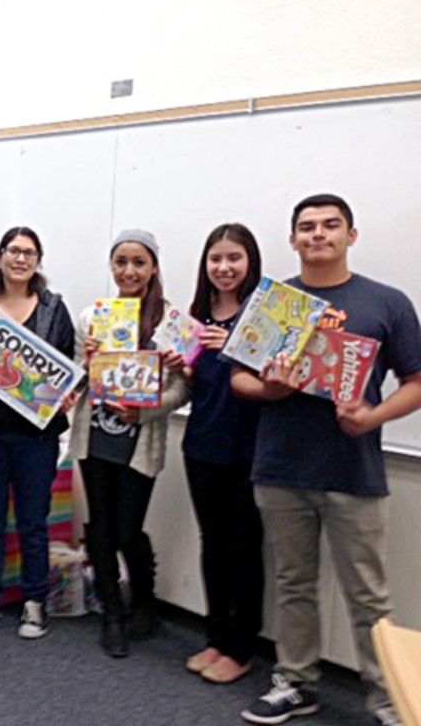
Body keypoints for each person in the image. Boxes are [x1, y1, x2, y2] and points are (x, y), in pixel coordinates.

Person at [234, 195, 421, 726]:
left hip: (354, 472)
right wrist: (270, 388)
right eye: (307, 227)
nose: (318, 235)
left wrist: (373, 416)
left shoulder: (387, 302)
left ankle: (389, 699)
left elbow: (417, 381)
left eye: (330, 226)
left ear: (350, 236)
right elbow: (238, 379)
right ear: (292, 239)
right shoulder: (274, 303)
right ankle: (296, 683)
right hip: (280, 468)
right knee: (294, 584)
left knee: (369, 596)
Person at [68, 229, 189, 659]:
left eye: (139, 262)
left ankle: (144, 600)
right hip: (95, 437)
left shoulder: (171, 322)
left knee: (127, 530)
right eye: (121, 261)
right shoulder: (92, 317)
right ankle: (112, 613)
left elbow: (182, 390)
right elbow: (78, 382)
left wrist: (147, 410)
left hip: (140, 440)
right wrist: (86, 361)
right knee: (99, 528)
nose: (129, 270)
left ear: (153, 266)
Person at [0, 227, 76, 641]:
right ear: (0, 256)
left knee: (32, 521)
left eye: (29, 253)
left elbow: (67, 367)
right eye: (13, 251)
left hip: (35, 437)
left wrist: (66, 394)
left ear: (38, 261)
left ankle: (34, 602)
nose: (20, 259)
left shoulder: (55, 309)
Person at [181, 224, 263, 684]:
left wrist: (232, 346)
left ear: (250, 261)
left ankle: (242, 646)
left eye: (234, 258)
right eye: (216, 259)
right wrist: (178, 365)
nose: (225, 267)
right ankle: (216, 637)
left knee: (245, 549)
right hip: (201, 445)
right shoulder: (197, 314)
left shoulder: (263, 314)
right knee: (212, 545)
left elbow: (273, 376)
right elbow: (196, 385)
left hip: (249, 449)